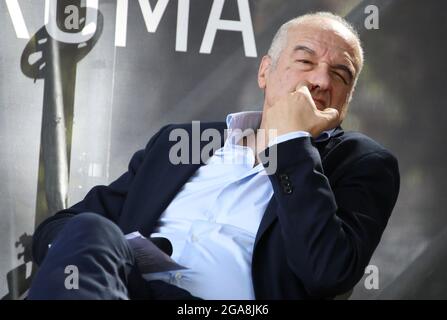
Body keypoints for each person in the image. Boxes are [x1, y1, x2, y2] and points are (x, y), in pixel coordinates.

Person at [28, 12, 400, 300]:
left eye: (341, 73)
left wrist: (291, 143)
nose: (321, 81)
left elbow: (327, 273)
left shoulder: (361, 162)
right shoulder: (183, 142)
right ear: (265, 72)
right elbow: (61, 227)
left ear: (346, 99)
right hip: (124, 289)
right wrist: (105, 254)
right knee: (92, 231)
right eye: (305, 61)